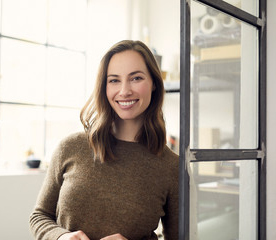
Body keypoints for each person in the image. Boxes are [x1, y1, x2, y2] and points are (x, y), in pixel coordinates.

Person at [29, 40, 178, 240]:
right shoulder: (70, 147)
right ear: (103, 87)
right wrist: (61, 237)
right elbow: (40, 216)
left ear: (153, 84)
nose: (124, 91)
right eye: (114, 80)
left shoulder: (171, 167)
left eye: (136, 78)